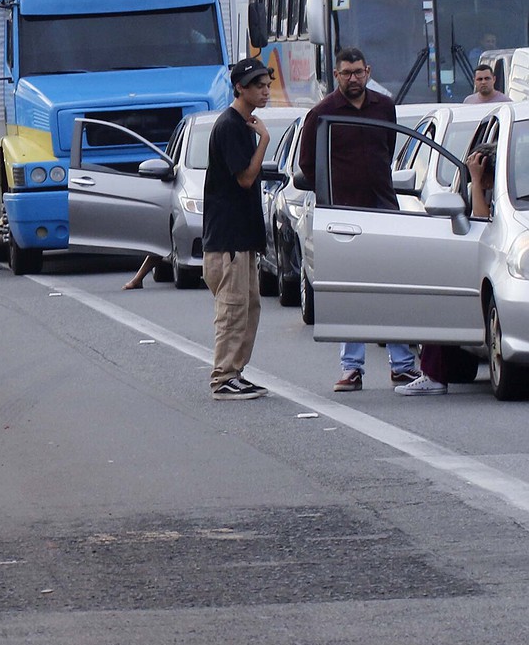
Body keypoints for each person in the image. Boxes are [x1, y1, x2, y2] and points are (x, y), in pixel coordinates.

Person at [299, 46, 420, 392]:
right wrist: (333, 195)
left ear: (368, 70)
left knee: (391, 288)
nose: (353, 79)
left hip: (384, 210)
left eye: (358, 72)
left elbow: (389, 146)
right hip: (343, 217)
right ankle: (351, 368)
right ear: (336, 76)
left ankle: (402, 365)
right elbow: (309, 165)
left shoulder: (384, 107)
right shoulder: (321, 114)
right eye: (346, 73)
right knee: (350, 292)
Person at [399, 143, 497, 395]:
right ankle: (434, 372)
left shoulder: (501, 191)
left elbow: (481, 220)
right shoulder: (475, 190)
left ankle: (433, 374)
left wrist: (476, 181)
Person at [202, 57, 273, 400]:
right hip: (226, 240)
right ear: (239, 88)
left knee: (249, 306)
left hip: (243, 237)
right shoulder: (231, 125)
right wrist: (264, 141)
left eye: (267, 84)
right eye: (258, 85)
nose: (265, 90)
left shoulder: (244, 124)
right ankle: (223, 376)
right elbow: (245, 178)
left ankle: (236, 372)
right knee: (232, 309)